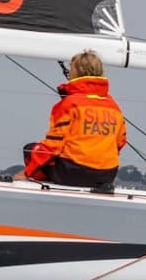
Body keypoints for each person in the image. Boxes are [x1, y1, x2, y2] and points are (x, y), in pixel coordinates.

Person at [20, 50, 126, 193]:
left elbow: (53, 145)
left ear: (76, 72)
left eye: (71, 69)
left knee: (29, 149)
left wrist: (27, 172)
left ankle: (41, 185)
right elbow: (120, 142)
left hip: (71, 173)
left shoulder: (69, 104)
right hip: (106, 176)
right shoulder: (114, 106)